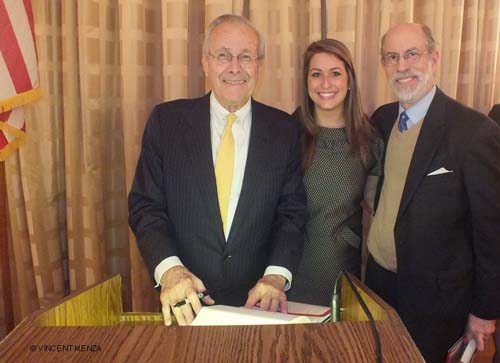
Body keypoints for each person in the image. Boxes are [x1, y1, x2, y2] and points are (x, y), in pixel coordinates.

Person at [128, 14, 306, 326]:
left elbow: (291, 213)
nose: (235, 67)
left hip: (257, 307)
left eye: (246, 56)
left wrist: (276, 277)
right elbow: (146, 206)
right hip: (183, 303)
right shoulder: (166, 122)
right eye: (223, 55)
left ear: (259, 65)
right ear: (205, 62)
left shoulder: (285, 130)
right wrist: (170, 271)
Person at [365, 23, 500, 362]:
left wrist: (484, 311)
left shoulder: (474, 132)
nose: (402, 66)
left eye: (412, 54)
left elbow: (492, 232)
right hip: (379, 284)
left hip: (435, 301)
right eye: (392, 57)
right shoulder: (382, 120)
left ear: (434, 57)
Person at [286, 39, 383, 306]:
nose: (325, 83)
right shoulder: (286, 134)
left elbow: (379, 210)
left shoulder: (370, 140)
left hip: (341, 275)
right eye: (316, 74)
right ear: (306, 82)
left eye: (335, 73)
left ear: (349, 80)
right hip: (286, 274)